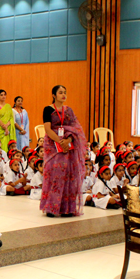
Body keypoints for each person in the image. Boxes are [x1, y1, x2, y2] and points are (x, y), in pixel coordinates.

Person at [40, 85, 87, 217]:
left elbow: (76, 128)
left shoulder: (69, 110)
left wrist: (68, 140)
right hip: (52, 145)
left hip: (68, 145)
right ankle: (51, 208)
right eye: (60, 92)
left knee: (68, 175)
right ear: (54, 95)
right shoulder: (48, 109)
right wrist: (60, 141)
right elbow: (48, 129)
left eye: (65, 92)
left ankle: (67, 208)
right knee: (54, 174)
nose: (63, 95)